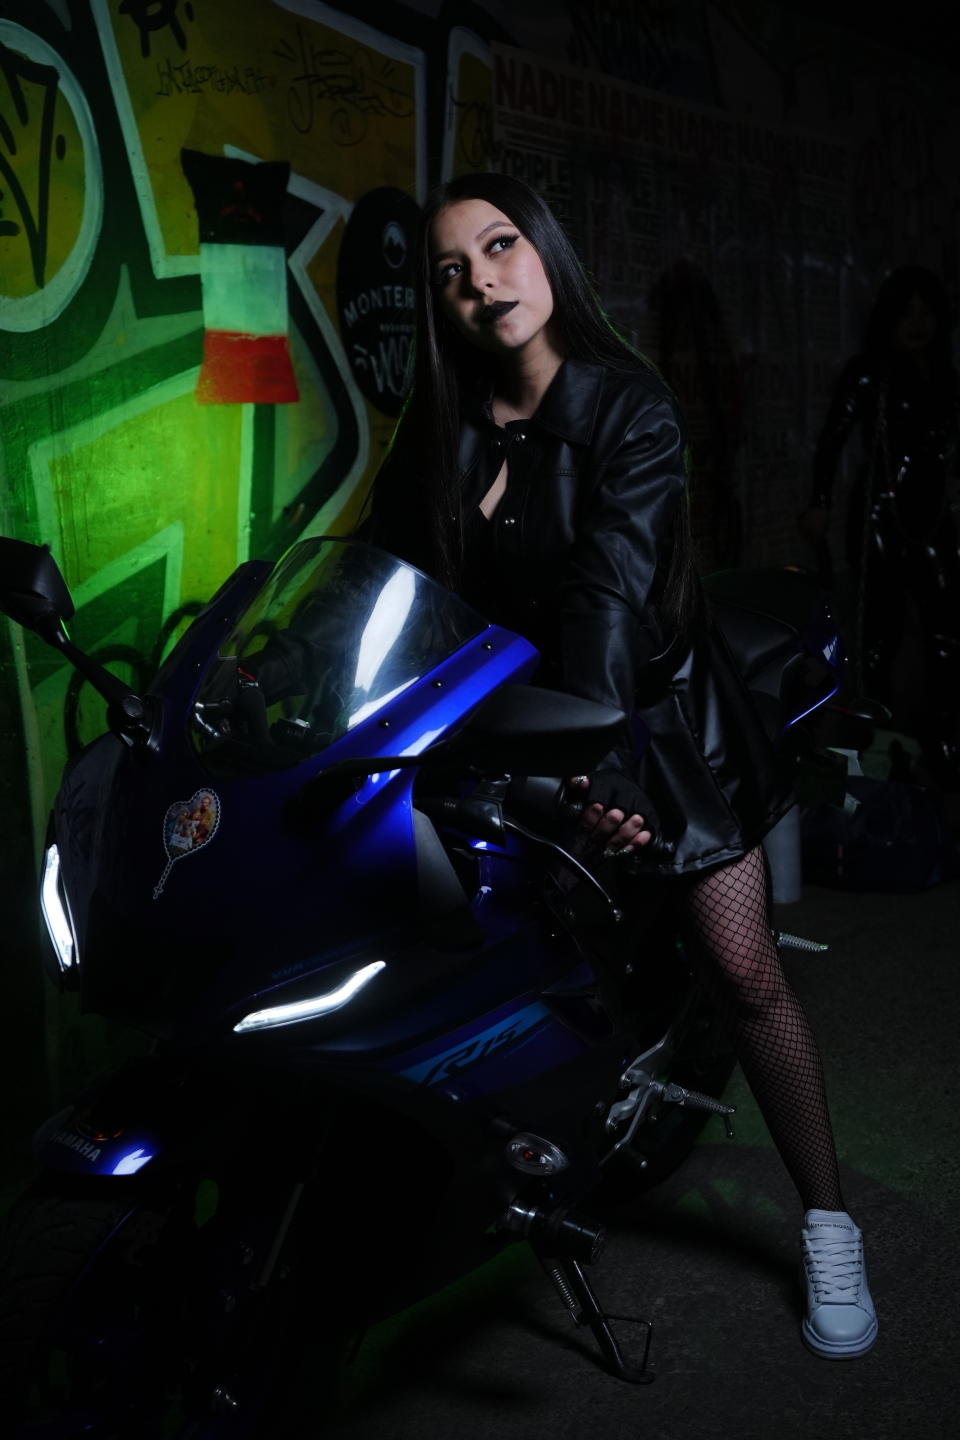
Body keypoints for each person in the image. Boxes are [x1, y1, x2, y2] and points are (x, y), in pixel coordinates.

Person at [359, 171, 877, 1359]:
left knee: (742, 968)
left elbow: (607, 592)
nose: (483, 281)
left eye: (500, 246)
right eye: (451, 271)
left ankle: (829, 1222)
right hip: (507, 723)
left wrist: (593, 754)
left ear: (545, 250)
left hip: (652, 722)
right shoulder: (438, 430)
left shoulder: (628, 408)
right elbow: (380, 577)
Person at [799, 265, 960, 781]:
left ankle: (944, 741)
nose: (917, 324)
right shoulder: (870, 373)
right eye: (907, 314)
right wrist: (820, 501)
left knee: (945, 629)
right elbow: (833, 437)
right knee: (878, 634)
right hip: (880, 516)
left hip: (933, 515)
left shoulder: (945, 375)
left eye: (926, 314)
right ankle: (876, 742)